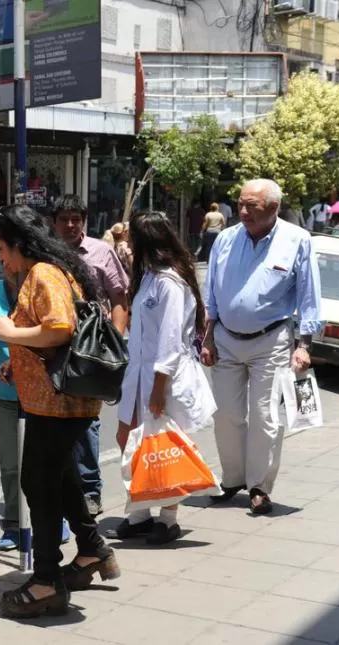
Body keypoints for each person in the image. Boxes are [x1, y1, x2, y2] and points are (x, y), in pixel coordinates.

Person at [0, 205, 119, 619]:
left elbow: (60, 328)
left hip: (57, 403)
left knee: (38, 484)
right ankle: (91, 552)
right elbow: (53, 337)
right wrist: (18, 358)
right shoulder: (50, 270)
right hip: (56, 400)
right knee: (61, 479)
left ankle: (46, 582)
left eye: (1, 249)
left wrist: (10, 333)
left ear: (17, 244)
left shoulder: (43, 273)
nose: (1, 259)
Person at [201, 179, 323, 515]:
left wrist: (304, 345)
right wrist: (208, 336)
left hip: (271, 341)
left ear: (272, 208)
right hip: (226, 338)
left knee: (265, 417)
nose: (242, 212)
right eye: (240, 203)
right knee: (225, 415)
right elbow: (211, 293)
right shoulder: (225, 239)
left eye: (251, 206)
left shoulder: (296, 240)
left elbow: (308, 295)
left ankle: (258, 486)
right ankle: (232, 478)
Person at [114, 212, 216, 545]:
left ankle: (168, 517)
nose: (128, 244)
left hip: (165, 379)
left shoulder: (171, 283)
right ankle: (141, 513)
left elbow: (171, 339)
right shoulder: (146, 278)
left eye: (132, 239)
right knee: (127, 438)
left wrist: (159, 387)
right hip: (138, 375)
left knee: (165, 447)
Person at [0, 265, 72, 551]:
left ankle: (57, 519)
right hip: (6, 394)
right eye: (3, 257)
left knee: (48, 461)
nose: (10, 266)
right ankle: (13, 523)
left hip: (45, 391)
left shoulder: (43, 290)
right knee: (11, 464)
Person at [53, 195, 130, 517]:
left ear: (84, 220)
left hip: (91, 348)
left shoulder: (101, 251)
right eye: (65, 219)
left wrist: (116, 339)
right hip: (55, 345)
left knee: (86, 420)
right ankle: (58, 486)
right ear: (53, 222)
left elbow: (119, 297)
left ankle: (89, 489)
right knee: (54, 419)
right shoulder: (45, 253)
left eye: (77, 218)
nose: (71, 225)